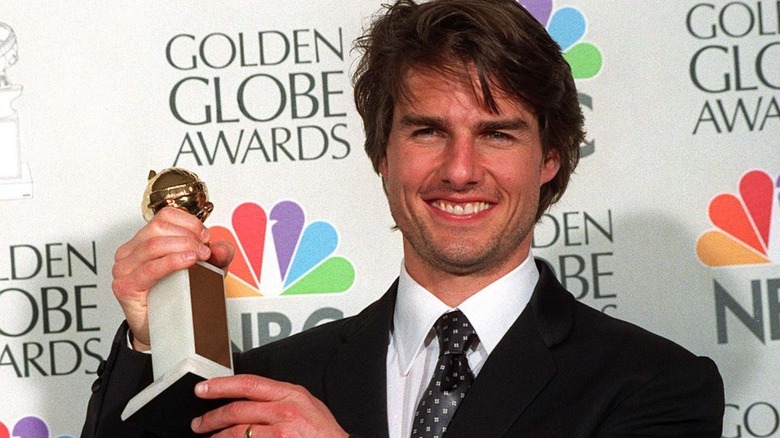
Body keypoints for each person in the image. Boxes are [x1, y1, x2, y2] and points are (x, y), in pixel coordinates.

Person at [82, 0, 725, 437]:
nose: (460, 170)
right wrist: (157, 333)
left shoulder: (654, 386)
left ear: (550, 158)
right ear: (381, 155)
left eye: (498, 135)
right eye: (427, 132)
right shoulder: (276, 380)